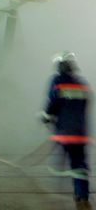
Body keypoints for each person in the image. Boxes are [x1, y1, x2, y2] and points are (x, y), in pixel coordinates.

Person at [40, 52, 91, 209]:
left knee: (61, 161)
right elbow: (83, 106)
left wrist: (46, 116)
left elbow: (53, 103)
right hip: (80, 133)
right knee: (79, 165)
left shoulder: (57, 81)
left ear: (60, 66)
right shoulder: (82, 83)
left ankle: (57, 189)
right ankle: (82, 196)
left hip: (64, 132)